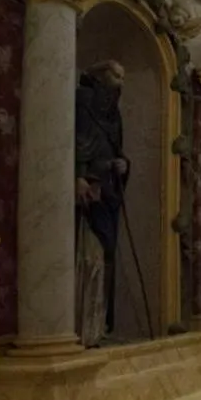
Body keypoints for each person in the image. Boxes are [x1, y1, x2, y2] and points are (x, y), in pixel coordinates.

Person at [75, 60, 129, 344]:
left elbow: (116, 149)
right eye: (116, 75)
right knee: (89, 252)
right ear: (100, 74)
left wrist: (123, 164)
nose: (121, 82)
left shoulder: (114, 112)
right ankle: (82, 324)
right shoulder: (82, 101)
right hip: (88, 190)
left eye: (122, 77)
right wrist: (78, 175)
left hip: (108, 189)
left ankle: (99, 324)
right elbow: (76, 142)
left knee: (106, 253)